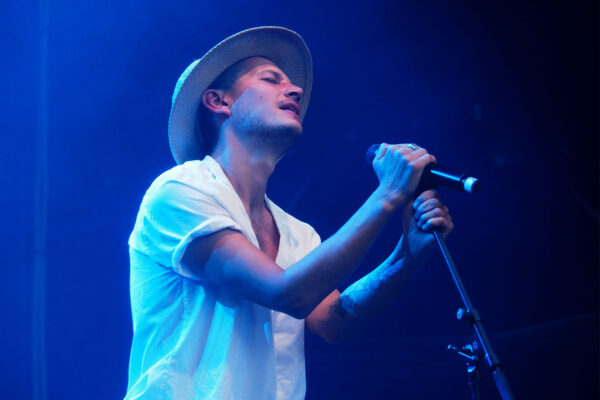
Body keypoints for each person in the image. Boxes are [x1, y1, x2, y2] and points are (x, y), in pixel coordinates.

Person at [124, 26, 453, 400]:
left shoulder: (297, 233)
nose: (295, 89)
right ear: (219, 101)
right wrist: (389, 194)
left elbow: (333, 321)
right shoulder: (180, 190)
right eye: (271, 79)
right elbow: (285, 293)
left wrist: (405, 256)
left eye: (291, 83)